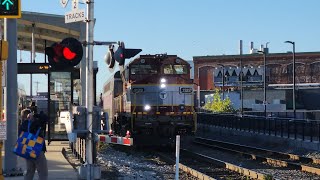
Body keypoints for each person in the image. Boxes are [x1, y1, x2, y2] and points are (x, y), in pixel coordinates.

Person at [19, 109, 48, 180]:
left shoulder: (23, 125)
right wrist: (35, 115)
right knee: (43, 172)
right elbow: (45, 118)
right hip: (37, 150)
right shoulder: (35, 122)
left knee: (30, 171)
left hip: (27, 150)